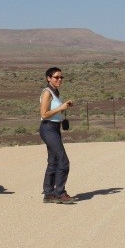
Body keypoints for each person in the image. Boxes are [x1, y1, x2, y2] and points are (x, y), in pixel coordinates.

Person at [39, 67, 77, 204]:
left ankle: (49, 193)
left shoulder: (55, 92)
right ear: (48, 78)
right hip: (48, 128)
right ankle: (60, 193)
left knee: (53, 161)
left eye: (61, 77)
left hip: (54, 128)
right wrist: (61, 108)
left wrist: (65, 105)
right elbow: (43, 114)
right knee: (63, 161)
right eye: (56, 77)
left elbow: (54, 111)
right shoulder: (47, 93)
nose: (59, 79)